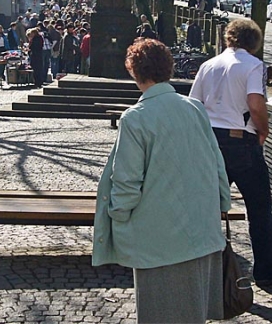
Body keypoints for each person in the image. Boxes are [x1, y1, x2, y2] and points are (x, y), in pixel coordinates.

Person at [93, 38, 230, 323]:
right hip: (200, 228)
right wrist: (222, 204)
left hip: (157, 236)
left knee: (159, 313)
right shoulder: (194, 108)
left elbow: (127, 181)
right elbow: (217, 163)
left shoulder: (136, 118)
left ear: (134, 72)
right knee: (193, 313)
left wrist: (117, 216)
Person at [189, 18, 272, 287]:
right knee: (259, 209)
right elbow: (255, 103)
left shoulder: (208, 65)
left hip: (211, 140)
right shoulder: (254, 65)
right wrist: (263, 130)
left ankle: (200, 266)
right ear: (254, 41)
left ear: (229, 37)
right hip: (241, 140)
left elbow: (194, 104)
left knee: (206, 208)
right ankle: (265, 272)